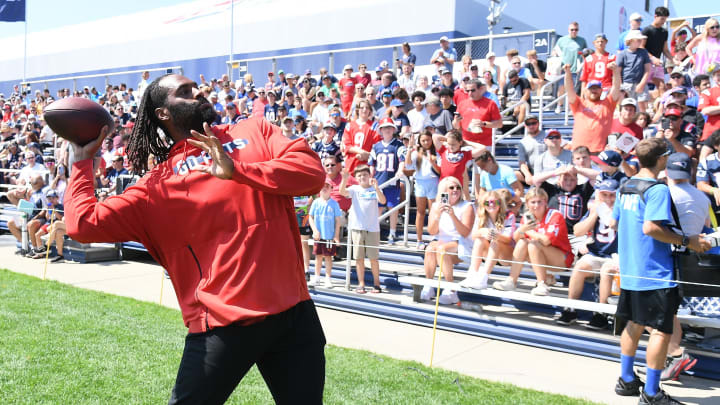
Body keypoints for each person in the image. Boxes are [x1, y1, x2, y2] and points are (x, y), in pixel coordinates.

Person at [64, 74, 327, 404]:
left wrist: (238, 171)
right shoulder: (154, 187)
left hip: (293, 314)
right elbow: (82, 223)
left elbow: (312, 175)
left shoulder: (254, 130)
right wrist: (81, 161)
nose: (199, 92)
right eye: (185, 92)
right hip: (223, 324)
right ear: (163, 113)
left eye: (196, 87)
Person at [611, 138, 709, 404]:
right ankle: (652, 393)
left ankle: (627, 379)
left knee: (634, 324)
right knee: (660, 331)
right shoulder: (657, 190)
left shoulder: (625, 185)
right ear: (662, 159)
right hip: (654, 270)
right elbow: (652, 228)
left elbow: (614, 221)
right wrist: (688, 240)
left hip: (631, 269)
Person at [556, 179, 619, 329]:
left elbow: (616, 227)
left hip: (616, 255)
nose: (609, 199)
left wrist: (608, 213)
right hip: (597, 253)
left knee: (606, 270)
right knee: (579, 267)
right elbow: (578, 231)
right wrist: (594, 215)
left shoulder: (622, 210)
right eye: (605, 195)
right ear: (599, 195)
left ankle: (601, 314)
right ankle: (570, 309)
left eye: (612, 195)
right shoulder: (596, 209)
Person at [493, 187, 573, 296]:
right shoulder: (527, 217)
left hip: (561, 258)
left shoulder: (554, 215)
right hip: (539, 256)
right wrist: (522, 230)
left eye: (540, 202)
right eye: (533, 202)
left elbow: (546, 241)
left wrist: (527, 231)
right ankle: (511, 280)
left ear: (545, 202)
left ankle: (542, 284)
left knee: (533, 244)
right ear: (527, 204)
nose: (536, 205)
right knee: (523, 243)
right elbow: (516, 239)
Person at [421, 176, 475, 305]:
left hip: (460, 242)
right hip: (441, 240)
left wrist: (452, 215)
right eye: (451, 188)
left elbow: (465, 232)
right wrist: (437, 216)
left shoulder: (467, 206)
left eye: (458, 188)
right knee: (430, 249)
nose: (455, 190)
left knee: (442, 250)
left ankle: (450, 289)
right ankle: (429, 285)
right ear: (444, 191)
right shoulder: (436, 206)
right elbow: (432, 231)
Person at [339, 165, 385, 294]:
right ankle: (361, 283)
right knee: (359, 258)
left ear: (369, 175)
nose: (362, 177)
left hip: (372, 228)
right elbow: (342, 192)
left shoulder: (374, 188)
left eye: (364, 175)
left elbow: (383, 200)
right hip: (357, 227)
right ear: (356, 178)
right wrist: (344, 178)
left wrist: (376, 188)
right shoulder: (354, 189)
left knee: (373, 258)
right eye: (359, 175)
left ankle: (377, 284)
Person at [460, 189, 517, 290]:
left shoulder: (509, 215)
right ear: (484, 204)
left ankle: (483, 278)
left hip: (505, 255)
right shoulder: (481, 215)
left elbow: (508, 239)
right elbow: (473, 235)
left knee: (495, 240)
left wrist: (496, 235)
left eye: (495, 202)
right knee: (479, 239)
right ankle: (472, 274)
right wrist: (483, 231)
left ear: (500, 203)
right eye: (488, 202)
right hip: (489, 254)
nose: (491, 205)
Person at [566, 60, 622, 154]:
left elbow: (616, 87)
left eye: (596, 88)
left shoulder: (608, 103)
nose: (594, 90)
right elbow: (569, 89)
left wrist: (616, 72)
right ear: (586, 91)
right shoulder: (578, 103)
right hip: (579, 153)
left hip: (601, 152)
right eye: (591, 89)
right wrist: (567, 73)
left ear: (601, 91)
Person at [369, 117, 405, 244]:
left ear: (393, 129)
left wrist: (400, 171)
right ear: (381, 130)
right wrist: (371, 176)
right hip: (379, 181)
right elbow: (372, 164)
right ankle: (375, 232)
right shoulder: (376, 146)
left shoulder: (398, 145)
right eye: (385, 128)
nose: (387, 130)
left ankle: (392, 232)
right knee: (377, 208)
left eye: (389, 128)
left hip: (391, 181)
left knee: (392, 207)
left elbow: (402, 160)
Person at [405, 130, 440, 249]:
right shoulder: (416, 153)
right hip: (420, 183)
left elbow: (440, 170)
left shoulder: (437, 152)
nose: (426, 142)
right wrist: (410, 148)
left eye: (428, 140)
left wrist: (433, 162)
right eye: (423, 140)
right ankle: (419, 240)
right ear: (419, 141)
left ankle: (434, 236)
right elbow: (408, 165)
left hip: (433, 182)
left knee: (433, 212)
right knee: (420, 212)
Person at [308, 180, 342, 289]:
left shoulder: (334, 204)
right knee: (318, 257)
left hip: (329, 236)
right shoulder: (316, 202)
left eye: (327, 186)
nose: (325, 188)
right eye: (323, 186)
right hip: (318, 236)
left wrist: (336, 236)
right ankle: (316, 277)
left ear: (331, 189)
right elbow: (311, 217)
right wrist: (314, 230)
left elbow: (338, 221)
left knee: (328, 257)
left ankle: (328, 278)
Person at [456, 79, 503, 146]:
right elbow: (456, 126)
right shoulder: (462, 104)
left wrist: (483, 124)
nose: (470, 93)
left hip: (485, 144)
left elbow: (499, 124)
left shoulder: (490, 104)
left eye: (473, 90)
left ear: (480, 89)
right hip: (467, 144)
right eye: (467, 91)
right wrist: (456, 122)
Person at [553, 22, 588, 105]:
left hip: (576, 70)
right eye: (572, 30)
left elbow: (586, 54)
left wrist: (582, 66)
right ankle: (559, 105)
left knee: (574, 90)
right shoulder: (561, 40)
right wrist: (555, 56)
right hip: (564, 69)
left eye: (576, 30)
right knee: (561, 87)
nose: (574, 31)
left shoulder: (582, 41)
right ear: (568, 30)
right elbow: (555, 50)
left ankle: (572, 108)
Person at [617, 30, 652, 112]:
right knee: (626, 106)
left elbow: (648, 69)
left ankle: (642, 123)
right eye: (638, 40)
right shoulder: (622, 54)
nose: (640, 42)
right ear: (631, 40)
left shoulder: (643, 52)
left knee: (642, 106)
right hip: (626, 84)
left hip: (640, 83)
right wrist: (620, 86)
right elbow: (618, 71)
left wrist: (642, 84)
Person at [342, 99, 380, 173]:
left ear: (370, 110)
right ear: (357, 110)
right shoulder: (350, 125)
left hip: (366, 166)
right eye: (362, 108)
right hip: (351, 164)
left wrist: (367, 155)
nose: (364, 110)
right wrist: (361, 152)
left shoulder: (374, 126)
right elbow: (346, 146)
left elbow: (377, 146)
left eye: (367, 108)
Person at [641, 7, 672, 95]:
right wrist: (653, 58)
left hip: (658, 64)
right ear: (655, 16)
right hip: (645, 63)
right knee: (643, 88)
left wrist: (673, 60)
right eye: (662, 19)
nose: (663, 21)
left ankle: (661, 107)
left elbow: (665, 50)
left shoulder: (664, 32)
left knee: (662, 87)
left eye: (665, 19)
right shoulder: (647, 30)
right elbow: (641, 47)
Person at [516, 115, 546, 185]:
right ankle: (521, 194)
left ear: (538, 123)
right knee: (513, 175)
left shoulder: (547, 135)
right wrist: (527, 175)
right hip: (532, 170)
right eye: (528, 124)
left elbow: (564, 145)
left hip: (546, 169)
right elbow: (522, 163)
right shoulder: (522, 142)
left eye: (533, 123)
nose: (531, 126)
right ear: (525, 126)